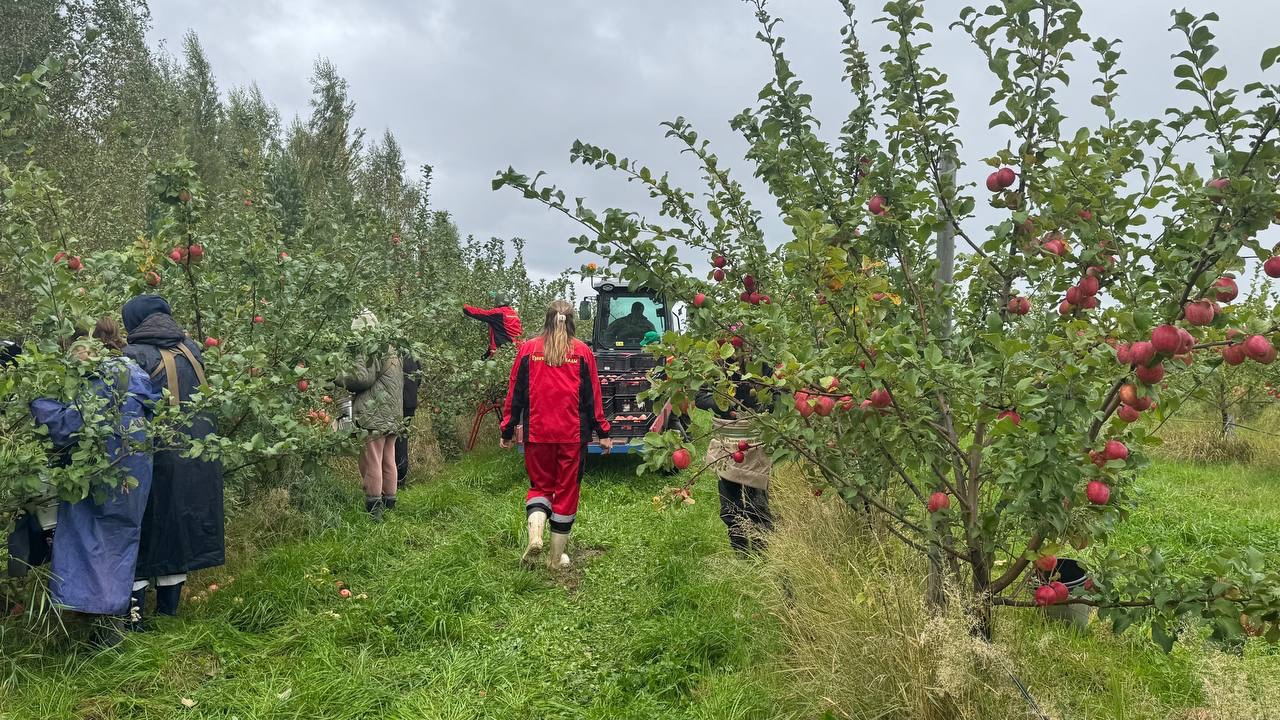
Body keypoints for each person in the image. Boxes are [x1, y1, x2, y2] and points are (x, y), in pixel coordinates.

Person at [30, 323, 157, 644]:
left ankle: (103, 636)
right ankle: (107, 629)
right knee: (117, 545)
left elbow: (67, 425)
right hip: (132, 475)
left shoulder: (102, 378)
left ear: (90, 345)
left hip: (100, 477)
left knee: (90, 545)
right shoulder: (132, 371)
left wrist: (39, 400)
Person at [121, 295, 224, 621]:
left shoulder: (133, 356)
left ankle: (135, 620)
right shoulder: (192, 350)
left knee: (142, 531)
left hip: (154, 457)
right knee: (179, 532)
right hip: (197, 456)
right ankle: (168, 614)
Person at [499, 300, 612, 569]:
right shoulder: (583, 352)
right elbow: (592, 398)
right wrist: (603, 432)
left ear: (547, 319)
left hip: (537, 434)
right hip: (572, 436)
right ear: (572, 322)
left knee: (540, 487)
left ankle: (535, 535)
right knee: (566, 491)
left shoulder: (528, 350)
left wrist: (507, 429)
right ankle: (554, 558)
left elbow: (514, 394)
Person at [695, 348, 774, 554]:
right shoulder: (719, 365)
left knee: (757, 494)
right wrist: (722, 405)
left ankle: (761, 547)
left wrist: (762, 409)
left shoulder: (760, 363)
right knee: (730, 498)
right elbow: (700, 397)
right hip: (729, 439)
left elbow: (778, 394)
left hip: (756, 440)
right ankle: (739, 548)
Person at [338, 310, 404, 520]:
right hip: (393, 411)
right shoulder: (391, 347)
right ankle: (389, 504)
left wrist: (337, 377)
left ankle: (374, 510)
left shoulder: (368, 346)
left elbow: (362, 378)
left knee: (373, 459)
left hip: (374, 411)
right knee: (388, 458)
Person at [464, 293, 523, 359]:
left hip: (503, 354)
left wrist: (464, 307)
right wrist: (486, 355)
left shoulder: (498, 313)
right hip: (517, 351)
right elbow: (502, 336)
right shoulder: (514, 314)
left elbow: (479, 313)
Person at [395, 352, 420, 489]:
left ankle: (394, 480)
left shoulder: (390, 354)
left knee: (392, 442)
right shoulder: (412, 354)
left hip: (397, 403)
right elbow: (419, 377)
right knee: (402, 439)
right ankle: (401, 479)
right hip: (409, 402)